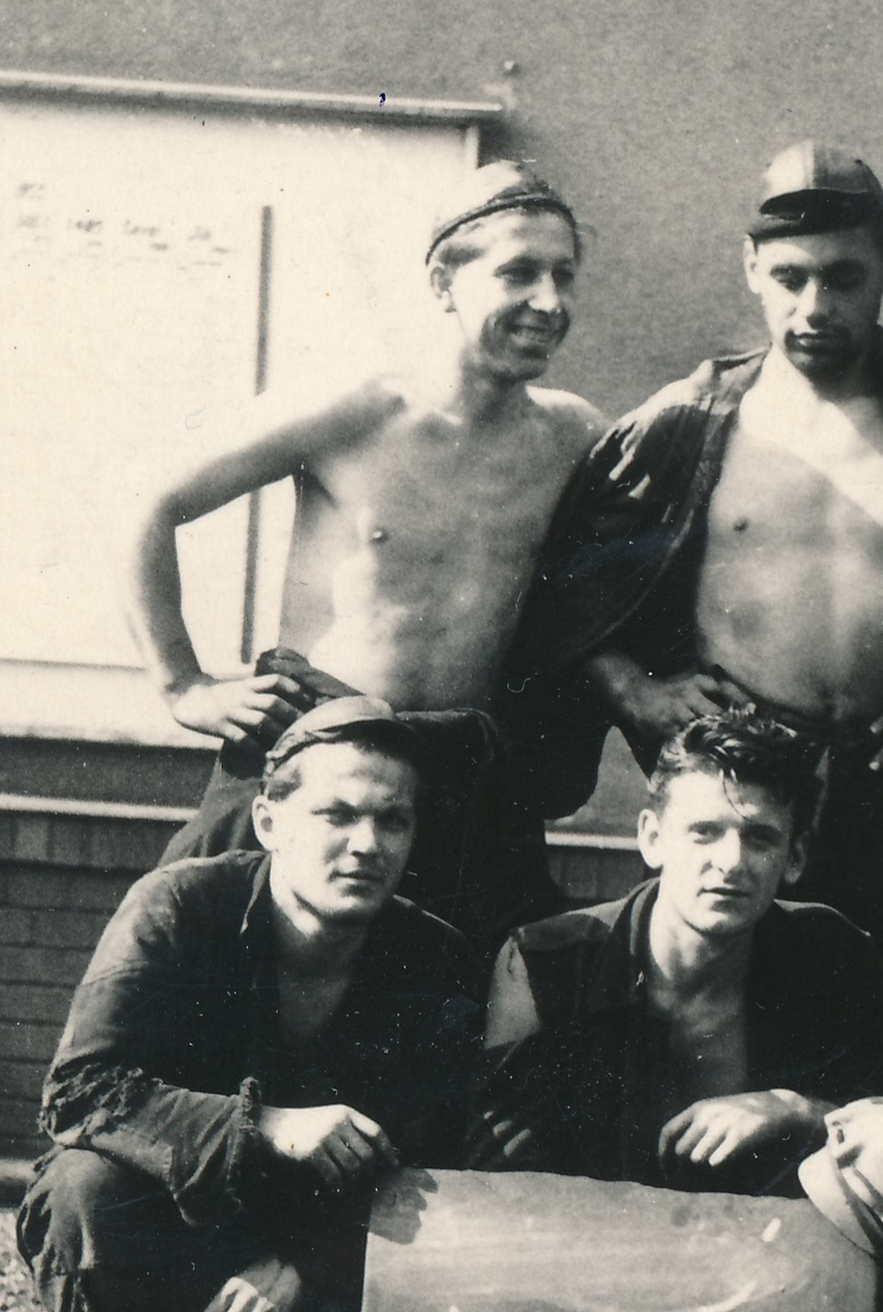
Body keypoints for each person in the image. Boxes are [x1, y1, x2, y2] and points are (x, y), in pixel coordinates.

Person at [510, 142, 883, 1140]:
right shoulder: (681, 428)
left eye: (843, 278)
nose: (814, 307)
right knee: (722, 1082)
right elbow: (556, 595)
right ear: (750, 268)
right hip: (748, 798)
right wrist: (635, 691)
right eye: (790, 277)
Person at [17, 698, 483, 1312]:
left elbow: (440, 1162)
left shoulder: (437, 959)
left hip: (320, 1251)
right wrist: (263, 1124)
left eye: (392, 820)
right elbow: (80, 1092)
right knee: (82, 1187)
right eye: (336, 814)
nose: (367, 844)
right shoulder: (178, 906)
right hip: (174, 1212)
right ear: (269, 820)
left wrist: (307, 1261)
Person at [127, 161, 604, 951]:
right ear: (444, 281)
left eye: (564, 275)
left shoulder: (574, 436)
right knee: (195, 963)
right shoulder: (357, 410)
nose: (550, 302)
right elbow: (150, 502)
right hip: (315, 752)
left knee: (482, 999)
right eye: (519, 272)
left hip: (456, 783)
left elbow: (626, 584)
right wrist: (184, 685)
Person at [471, 712, 883, 1195]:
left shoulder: (833, 956)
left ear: (794, 858)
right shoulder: (546, 965)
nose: (731, 863)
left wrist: (800, 1111)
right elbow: (499, 1189)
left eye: (760, 838)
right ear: (652, 838)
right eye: (704, 831)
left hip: (771, 1241)